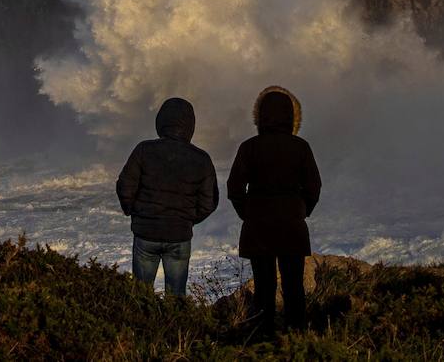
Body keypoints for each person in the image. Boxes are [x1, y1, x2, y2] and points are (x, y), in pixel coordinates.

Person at [227, 86, 322, 333]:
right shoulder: (301, 147)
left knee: (264, 287)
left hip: (258, 226)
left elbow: (234, 187)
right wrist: (302, 209)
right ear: (291, 116)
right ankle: (296, 336)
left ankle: (263, 337)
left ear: (260, 116)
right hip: (292, 225)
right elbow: (314, 186)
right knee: (293, 288)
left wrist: (247, 212)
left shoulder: (249, 147)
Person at [115, 97, 218, 296]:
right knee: (176, 298)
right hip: (179, 236)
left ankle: (140, 327)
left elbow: (125, 187)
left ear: (160, 122)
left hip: (146, 234)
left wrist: (135, 212)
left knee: (140, 297)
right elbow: (208, 202)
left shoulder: (144, 150)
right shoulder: (201, 159)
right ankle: (174, 327)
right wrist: (186, 220)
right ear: (190, 126)